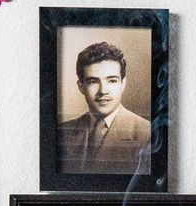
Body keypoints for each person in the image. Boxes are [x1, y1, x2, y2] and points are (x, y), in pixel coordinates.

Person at [58, 40, 152, 174]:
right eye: (93, 82)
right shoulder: (63, 131)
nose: (103, 91)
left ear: (123, 84)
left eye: (112, 80)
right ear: (81, 86)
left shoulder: (147, 134)